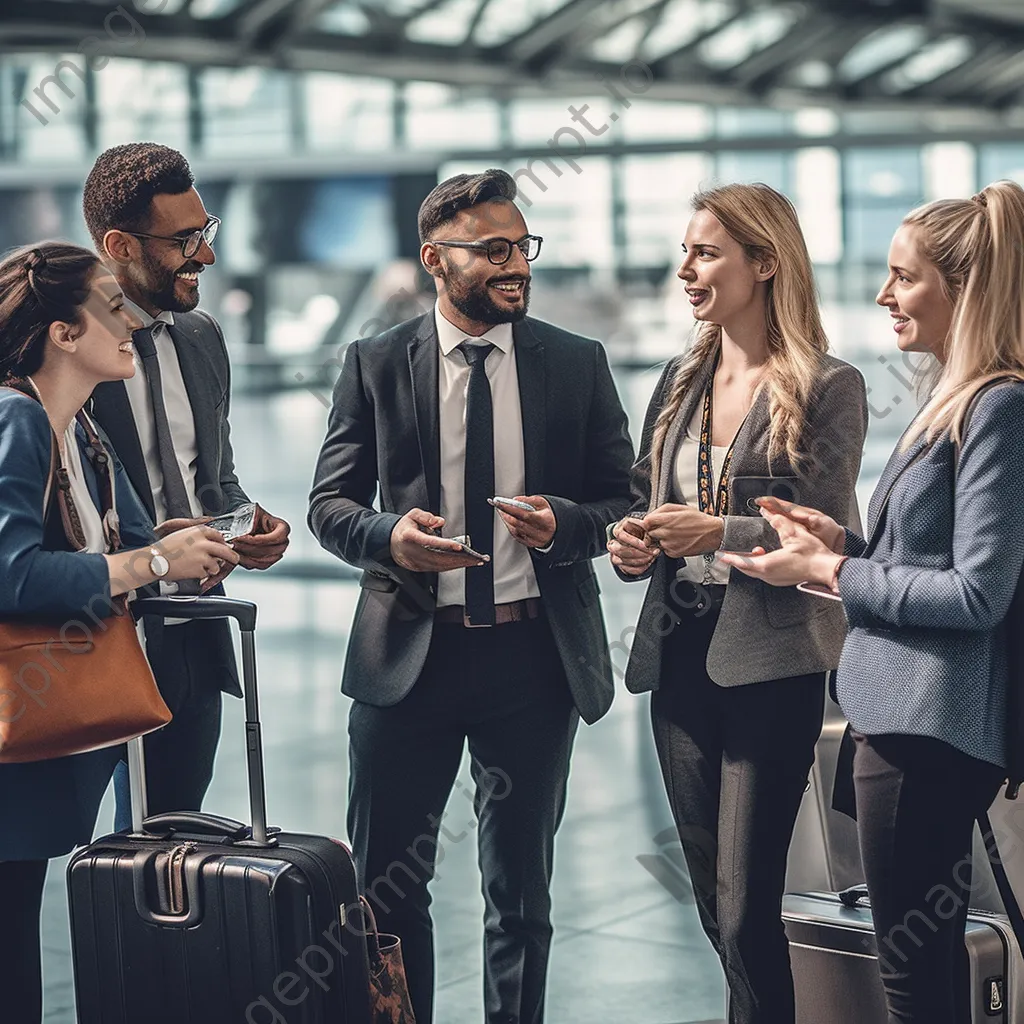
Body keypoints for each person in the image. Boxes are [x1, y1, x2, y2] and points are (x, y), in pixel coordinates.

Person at [308, 168, 634, 1024]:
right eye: (493, 250)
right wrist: (390, 538)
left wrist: (564, 522)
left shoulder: (575, 363)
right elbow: (329, 505)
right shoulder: (375, 363)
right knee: (385, 892)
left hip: (534, 662)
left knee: (520, 896)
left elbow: (621, 500)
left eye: (521, 246)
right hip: (408, 659)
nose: (515, 263)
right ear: (434, 260)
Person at [721, 180, 1024, 1024]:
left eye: (904, 277)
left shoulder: (999, 407)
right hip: (904, 722)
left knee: (913, 981)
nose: (886, 295)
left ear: (963, 290)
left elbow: (978, 594)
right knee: (915, 971)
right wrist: (843, 544)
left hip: (929, 730)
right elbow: (934, 560)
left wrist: (830, 572)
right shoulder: (955, 398)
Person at [607, 183, 867, 1024]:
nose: (685, 269)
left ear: (764, 263)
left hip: (773, 660)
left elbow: (818, 534)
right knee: (712, 903)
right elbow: (647, 504)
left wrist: (711, 531)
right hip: (681, 651)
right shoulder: (677, 383)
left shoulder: (830, 386)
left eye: (705, 252)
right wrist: (632, 542)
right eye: (685, 251)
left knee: (748, 904)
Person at [0, 242, 239, 1024]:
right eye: (110, 306)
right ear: (64, 334)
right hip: (20, 728)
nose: (129, 319)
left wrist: (197, 548)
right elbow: (13, 574)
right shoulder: (18, 420)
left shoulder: (87, 438)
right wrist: (148, 562)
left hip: (54, 734)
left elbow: (141, 545)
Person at [80, 143, 291, 827]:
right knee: (52, 860)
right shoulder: (59, 349)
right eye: (185, 240)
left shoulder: (202, 338)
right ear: (120, 245)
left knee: (164, 856)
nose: (205, 255)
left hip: (190, 638)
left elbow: (215, 482)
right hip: (82, 641)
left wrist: (247, 525)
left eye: (207, 232)